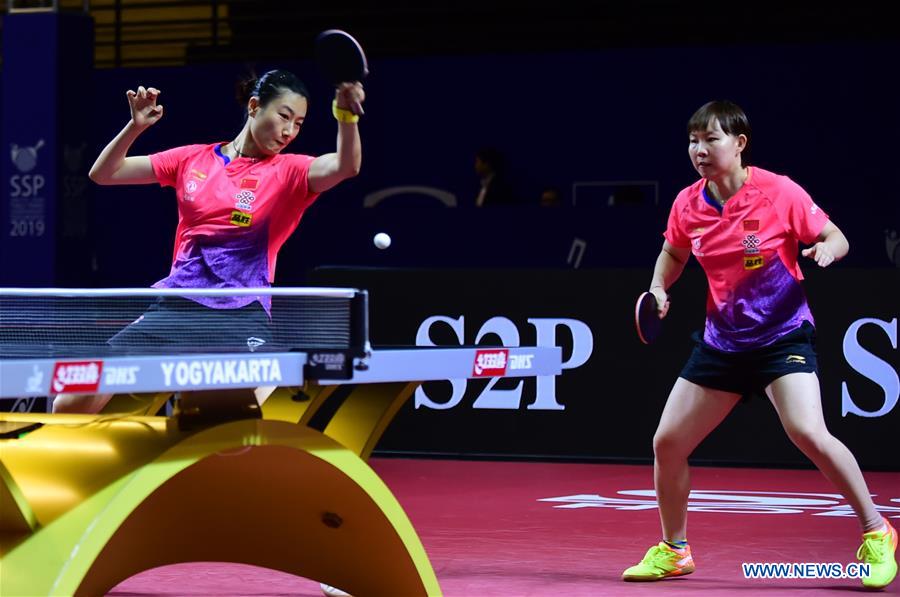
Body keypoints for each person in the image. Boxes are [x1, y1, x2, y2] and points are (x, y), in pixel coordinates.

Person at [622, 100, 897, 589]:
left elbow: (836, 235)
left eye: (711, 139)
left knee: (808, 431)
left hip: (781, 334)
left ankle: (878, 533)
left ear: (739, 143)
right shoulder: (688, 203)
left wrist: (826, 250)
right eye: (692, 141)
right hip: (721, 343)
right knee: (667, 443)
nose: (699, 150)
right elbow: (673, 250)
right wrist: (660, 289)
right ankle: (674, 549)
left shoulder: (779, 192)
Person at [52, 70, 365, 414]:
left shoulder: (290, 172)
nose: (289, 132)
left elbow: (345, 166)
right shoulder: (192, 159)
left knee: (238, 410)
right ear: (254, 106)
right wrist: (136, 127)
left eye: (299, 124)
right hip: (177, 306)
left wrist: (346, 117)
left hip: (242, 312)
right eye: (284, 117)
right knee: (71, 400)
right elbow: (104, 174)